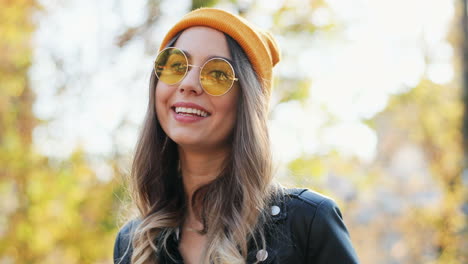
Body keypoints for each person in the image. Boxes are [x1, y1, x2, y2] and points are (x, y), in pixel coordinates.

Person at [113, 7, 359, 264]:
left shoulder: (308, 222)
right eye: (176, 65)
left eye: (217, 74)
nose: (188, 84)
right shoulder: (134, 243)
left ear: (247, 103)